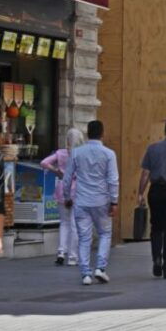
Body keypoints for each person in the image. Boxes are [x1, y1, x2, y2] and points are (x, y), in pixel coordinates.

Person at [63, 120, 119, 285]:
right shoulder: (109, 154)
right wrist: (114, 201)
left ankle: (85, 274)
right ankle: (100, 268)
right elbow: (113, 180)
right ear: (103, 133)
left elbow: (67, 178)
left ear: (87, 133)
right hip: (102, 200)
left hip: (81, 200)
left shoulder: (76, 153)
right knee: (105, 234)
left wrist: (67, 197)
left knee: (84, 238)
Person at [137, 119, 166, 279]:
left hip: (155, 190)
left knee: (156, 228)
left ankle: (156, 257)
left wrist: (140, 193)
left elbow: (145, 174)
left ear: (165, 131)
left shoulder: (153, 148)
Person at [41, 128, 85, 266]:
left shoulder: (61, 153)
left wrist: (56, 171)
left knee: (64, 223)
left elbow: (44, 162)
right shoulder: (82, 155)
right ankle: (73, 257)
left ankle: (61, 252)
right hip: (77, 190)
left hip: (62, 188)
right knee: (74, 224)